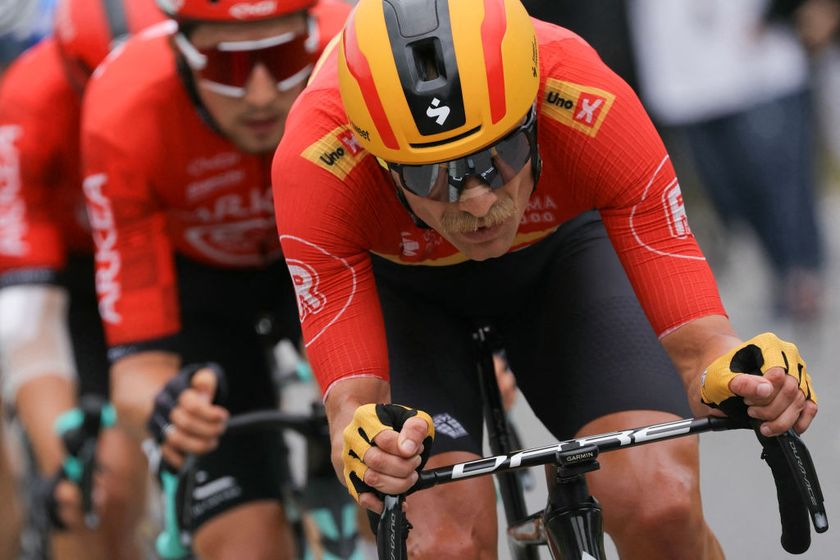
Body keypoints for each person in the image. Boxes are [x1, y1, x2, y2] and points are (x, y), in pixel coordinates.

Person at [269, 0, 819, 557]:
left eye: (499, 154)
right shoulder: (315, 159)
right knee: (440, 545)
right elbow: (352, 417)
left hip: (561, 257)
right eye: (428, 173)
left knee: (660, 502)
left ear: (534, 113)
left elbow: (702, 350)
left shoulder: (584, 95)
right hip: (405, 296)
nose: (478, 199)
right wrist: (369, 449)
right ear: (379, 158)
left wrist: (751, 380)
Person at [80, 0, 351, 557]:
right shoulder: (122, 112)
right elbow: (137, 372)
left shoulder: (355, 57)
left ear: (312, 35)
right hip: (204, 301)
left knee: (411, 504)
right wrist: (171, 409)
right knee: (246, 544)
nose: (257, 95)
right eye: (225, 67)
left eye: (280, 58)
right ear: (180, 49)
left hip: (335, 266)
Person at [0, 1, 165, 558]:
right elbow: (29, 316)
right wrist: (63, 456)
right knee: (87, 489)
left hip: (154, 260)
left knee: (122, 484)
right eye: (98, 90)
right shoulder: (27, 102)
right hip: (63, 278)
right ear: (69, 70)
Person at [628, 0, 825, 322]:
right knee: (729, 194)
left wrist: (785, 12)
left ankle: (800, 273)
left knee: (777, 181)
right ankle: (781, 270)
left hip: (757, 67)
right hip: (684, 79)